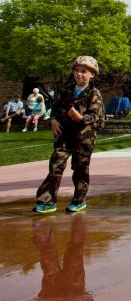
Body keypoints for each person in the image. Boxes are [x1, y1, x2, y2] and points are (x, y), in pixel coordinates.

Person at [33, 56, 105, 214]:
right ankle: (47, 201)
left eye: (83, 71)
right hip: (64, 134)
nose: (79, 74)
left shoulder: (94, 93)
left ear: (92, 74)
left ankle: (79, 200)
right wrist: (53, 120)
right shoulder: (66, 90)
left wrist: (80, 117)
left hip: (83, 137)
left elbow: (97, 116)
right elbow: (57, 107)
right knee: (55, 166)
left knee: (80, 169)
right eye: (76, 71)